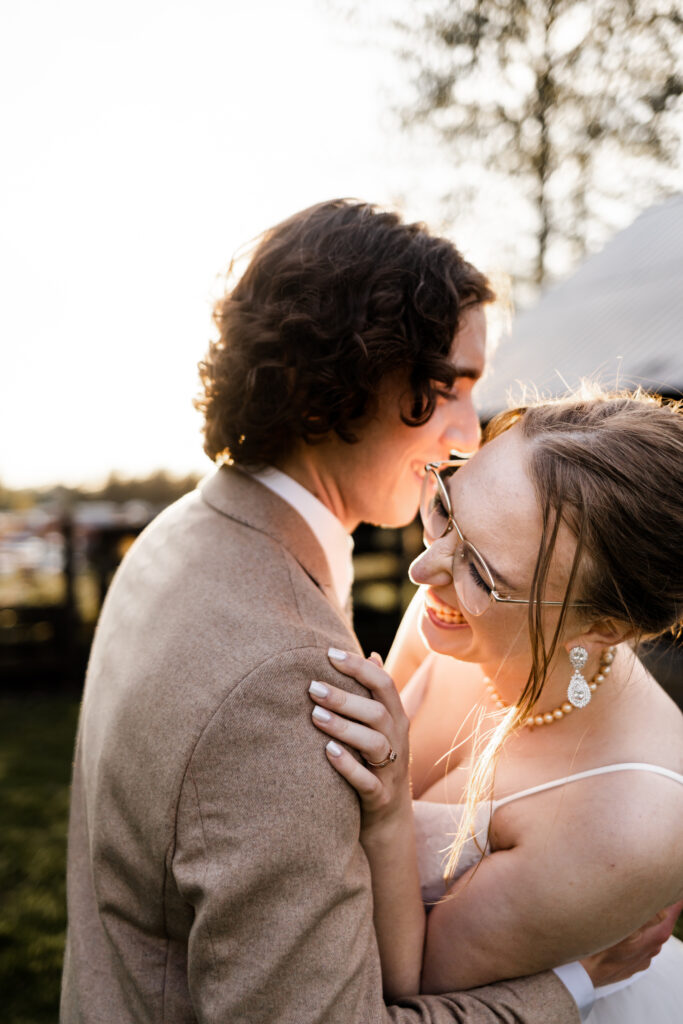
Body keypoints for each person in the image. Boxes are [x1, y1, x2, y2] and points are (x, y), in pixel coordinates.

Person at [61, 200, 667, 1023]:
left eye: (475, 393)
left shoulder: (188, 534)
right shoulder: (281, 674)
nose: (463, 433)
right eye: (444, 389)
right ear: (328, 396)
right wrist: (572, 983)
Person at [307, 388, 683, 1022]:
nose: (423, 570)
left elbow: (417, 986)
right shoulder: (454, 603)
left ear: (606, 628)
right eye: (446, 510)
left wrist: (390, 812)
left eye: (482, 573)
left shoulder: (630, 822)